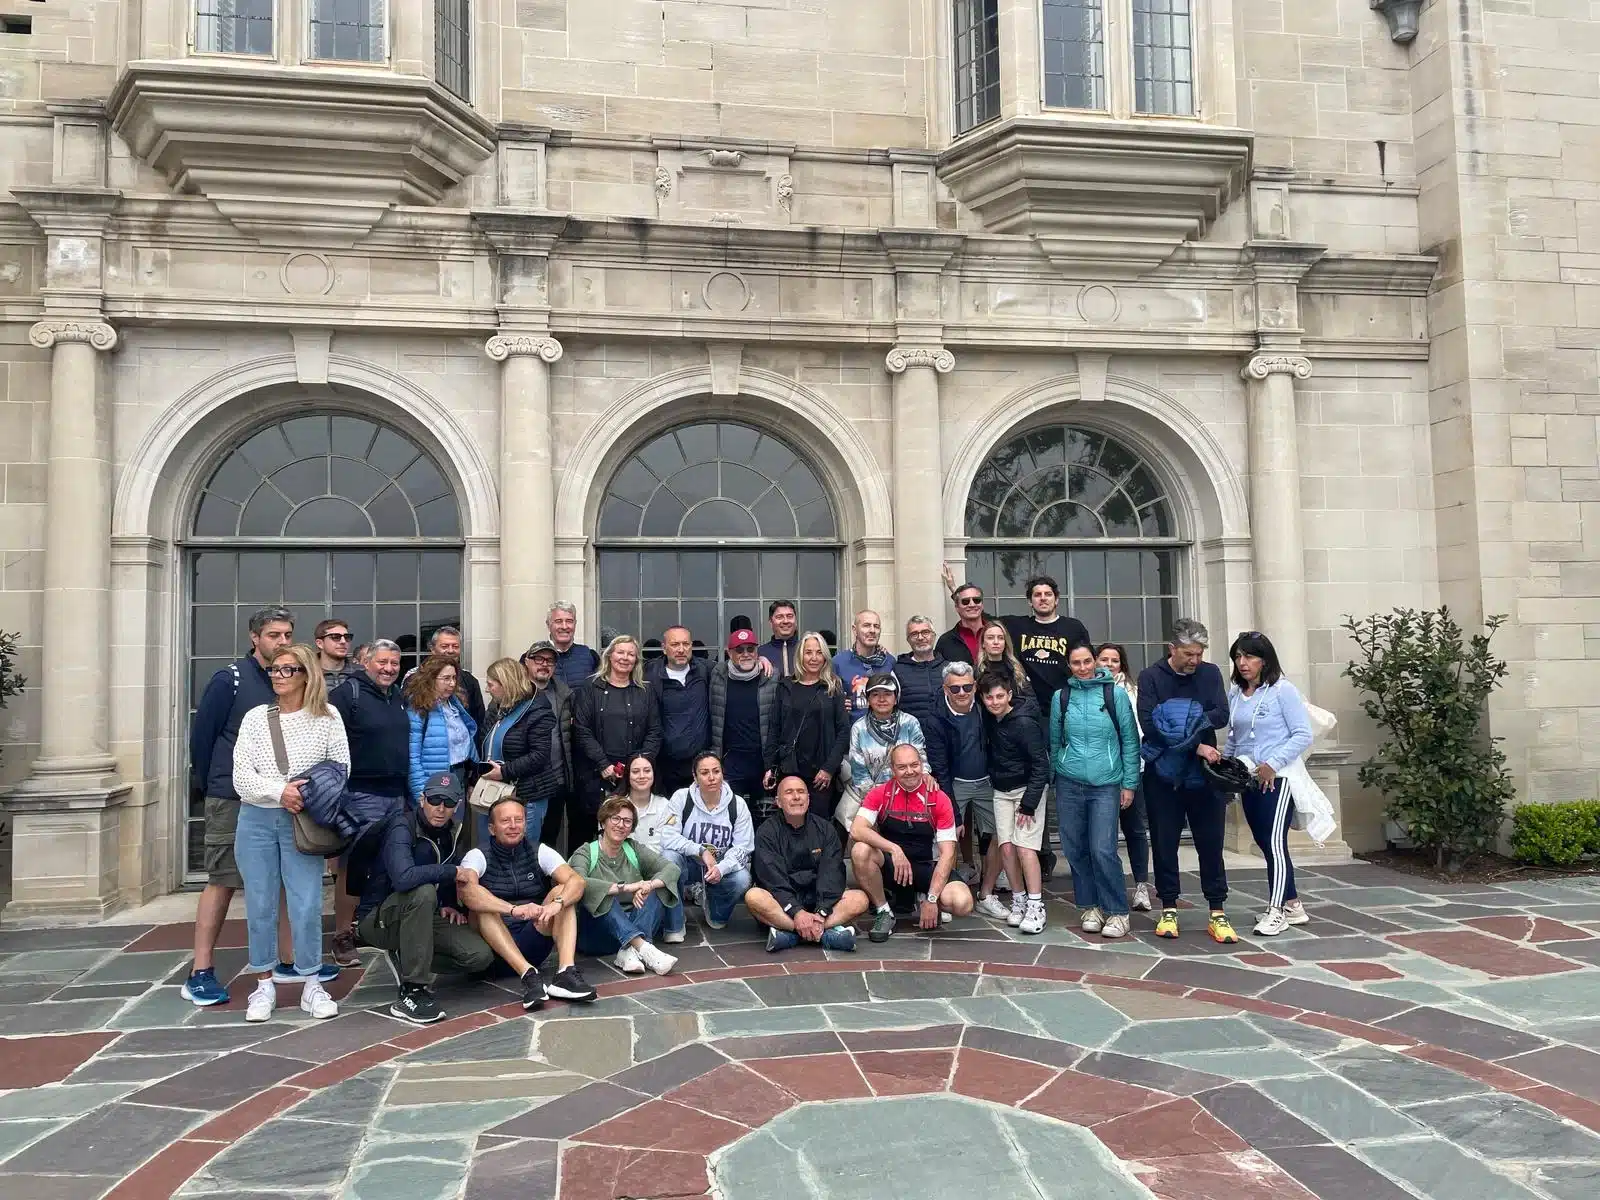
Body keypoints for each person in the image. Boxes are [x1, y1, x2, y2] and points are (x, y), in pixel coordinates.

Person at [183, 606, 299, 1006]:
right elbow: (203, 739)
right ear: (255, 637)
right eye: (274, 635)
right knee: (224, 880)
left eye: (287, 635)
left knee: (284, 878)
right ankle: (200, 971)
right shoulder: (229, 679)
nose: (282, 642)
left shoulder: (289, 679)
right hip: (232, 798)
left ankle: (288, 961)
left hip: (279, 796)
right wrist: (213, 785)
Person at [231, 643, 349, 1022]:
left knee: (307, 903)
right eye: (274, 670)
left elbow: (340, 767)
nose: (279, 677)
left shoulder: (327, 716)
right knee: (260, 904)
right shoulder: (254, 718)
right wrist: (278, 791)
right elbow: (241, 776)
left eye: (287, 670)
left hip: (304, 820)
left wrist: (303, 793)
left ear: (306, 674)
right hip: (257, 819)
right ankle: (263, 984)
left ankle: (311, 984)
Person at [349, 771, 494, 1025]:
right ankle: (412, 989)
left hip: (422, 914)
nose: (441, 808)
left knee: (479, 956)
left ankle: (408, 955)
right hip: (378, 918)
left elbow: (450, 863)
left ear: (458, 805)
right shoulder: (401, 826)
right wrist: (453, 873)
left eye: (448, 802)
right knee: (423, 891)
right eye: (435, 800)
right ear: (422, 799)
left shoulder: (453, 831)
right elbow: (403, 878)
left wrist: (449, 903)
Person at [1137, 619, 1235, 943]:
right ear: (1172, 649)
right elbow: (1151, 725)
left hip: (1205, 777)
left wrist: (1185, 721)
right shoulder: (1150, 677)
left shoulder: (1210, 674)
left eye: (1200, 653)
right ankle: (1168, 909)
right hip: (1162, 777)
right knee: (1165, 843)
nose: (1195, 660)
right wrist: (1196, 743)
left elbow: (1221, 713)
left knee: (1211, 842)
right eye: (1189, 654)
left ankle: (1217, 912)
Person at [456, 796, 598, 1009]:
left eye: (518, 819)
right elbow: (467, 893)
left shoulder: (539, 850)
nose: (513, 826)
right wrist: (513, 910)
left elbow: (577, 881)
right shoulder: (477, 856)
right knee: (482, 905)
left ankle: (565, 973)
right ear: (492, 828)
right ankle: (528, 975)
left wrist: (556, 904)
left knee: (563, 891)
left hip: (531, 940)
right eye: (506, 821)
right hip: (494, 951)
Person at [1224, 631, 1314, 937]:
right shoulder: (1236, 693)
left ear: (1265, 659)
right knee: (1265, 842)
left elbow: (1302, 734)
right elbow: (1234, 738)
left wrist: (1272, 764)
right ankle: (1293, 903)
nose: (1243, 662)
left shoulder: (1282, 691)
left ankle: (1276, 911)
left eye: (1249, 656)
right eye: (1238, 657)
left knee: (1275, 844)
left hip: (1279, 778)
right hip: (1248, 779)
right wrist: (1225, 768)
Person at [1049, 646, 1141, 940]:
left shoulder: (1115, 695)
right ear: (1069, 665)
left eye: (1087, 661)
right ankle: (1090, 907)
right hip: (1069, 782)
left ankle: (1117, 911)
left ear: (1095, 662)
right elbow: (1054, 740)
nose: (1083, 667)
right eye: (1076, 663)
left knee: (1103, 849)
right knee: (1075, 848)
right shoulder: (1061, 697)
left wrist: (1129, 784)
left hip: (1105, 783)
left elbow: (1129, 741)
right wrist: (1057, 774)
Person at [328, 637, 409, 966]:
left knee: (388, 865)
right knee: (353, 868)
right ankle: (342, 936)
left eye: (394, 663)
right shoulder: (346, 695)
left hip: (396, 794)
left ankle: (372, 928)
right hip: (360, 794)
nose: (389, 669)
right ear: (366, 663)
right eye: (383, 662)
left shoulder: (399, 696)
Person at [849, 743, 974, 942]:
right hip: (893, 866)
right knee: (860, 850)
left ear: (922, 765)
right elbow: (857, 829)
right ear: (892, 770)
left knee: (962, 902)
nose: (909, 771)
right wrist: (894, 849)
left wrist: (933, 899)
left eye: (914, 765)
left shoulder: (938, 798)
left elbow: (948, 853)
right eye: (902, 767)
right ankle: (884, 912)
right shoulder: (880, 793)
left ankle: (926, 900)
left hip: (927, 866)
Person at [748, 775, 869, 952]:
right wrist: (796, 911)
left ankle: (791, 935)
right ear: (778, 802)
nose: (796, 797)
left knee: (860, 899)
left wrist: (821, 911)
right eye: (789, 793)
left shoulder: (825, 829)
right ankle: (823, 935)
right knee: (753, 897)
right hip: (784, 904)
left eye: (801, 792)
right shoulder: (766, 832)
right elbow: (772, 879)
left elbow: (832, 872)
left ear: (808, 798)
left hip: (819, 902)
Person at [569, 796, 681, 974]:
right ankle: (644, 949)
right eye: (615, 818)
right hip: (598, 935)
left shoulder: (633, 849)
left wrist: (648, 886)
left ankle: (629, 950)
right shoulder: (585, 852)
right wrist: (626, 887)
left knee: (655, 888)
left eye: (627, 821)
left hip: (633, 924)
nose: (621, 825)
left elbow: (671, 868)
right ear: (603, 822)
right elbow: (577, 882)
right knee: (605, 895)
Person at [571, 635, 662, 851]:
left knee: (626, 831)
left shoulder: (645, 691)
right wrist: (602, 763)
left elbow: (655, 730)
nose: (625, 658)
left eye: (631, 654)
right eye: (620, 652)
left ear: (636, 660)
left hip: (633, 777)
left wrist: (638, 766)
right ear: (610, 655)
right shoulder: (590, 688)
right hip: (596, 774)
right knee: (590, 834)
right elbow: (581, 729)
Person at [925, 662, 1001, 915]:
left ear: (975, 686)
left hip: (986, 781)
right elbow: (940, 768)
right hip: (953, 782)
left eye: (967, 687)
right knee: (946, 836)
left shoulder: (986, 708)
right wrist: (954, 816)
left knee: (999, 834)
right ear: (945, 689)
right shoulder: (935, 718)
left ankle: (986, 893)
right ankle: (945, 892)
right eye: (955, 688)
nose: (962, 693)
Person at [979, 670, 1051, 935]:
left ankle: (1035, 904)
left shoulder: (1024, 723)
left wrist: (1029, 803)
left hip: (1026, 792)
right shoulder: (991, 720)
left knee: (1025, 847)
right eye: (989, 697)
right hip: (1001, 791)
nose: (995, 702)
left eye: (1000, 696)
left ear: (1009, 695)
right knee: (1006, 846)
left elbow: (1041, 764)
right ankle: (1018, 899)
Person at [660, 752, 754, 930]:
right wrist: (700, 850)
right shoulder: (681, 798)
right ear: (695, 777)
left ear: (722, 774)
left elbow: (744, 847)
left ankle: (716, 909)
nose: (711, 778)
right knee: (668, 857)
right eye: (704, 773)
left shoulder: (738, 804)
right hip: (689, 863)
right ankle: (676, 917)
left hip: (718, 865)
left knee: (742, 878)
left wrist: (721, 868)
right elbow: (667, 836)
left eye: (716, 771)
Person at [476, 657, 560, 850]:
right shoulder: (496, 708)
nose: (488, 690)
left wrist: (505, 772)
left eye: (491, 684)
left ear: (506, 684)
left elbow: (539, 755)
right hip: (492, 793)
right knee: (489, 851)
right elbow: (485, 747)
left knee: (522, 852)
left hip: (527, 794)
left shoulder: (537, 711)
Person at [766, 631, 851, 819]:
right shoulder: (785, 686)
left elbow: (843, 731)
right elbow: (775, 728)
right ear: (800, 656)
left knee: (819, 826)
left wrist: (829, 768)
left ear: (825, 656)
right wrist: (770, 766)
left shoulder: (833, 687)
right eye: (808, 652)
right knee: (790, 823)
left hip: (821, 774)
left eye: (819, 652)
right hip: (790, 769)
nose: (814, 658)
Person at [1097, 643, 1152, 912]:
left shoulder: (1133, 693)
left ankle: (1141, 885)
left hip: (1131, 770)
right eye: (1104, 659)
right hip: (1100, 774)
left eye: (1114, 660)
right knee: (1102, 835)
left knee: (1134, 830)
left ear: (1122, 664)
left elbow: (1138, 734)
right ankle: (1109, 886)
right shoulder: (1088, 691)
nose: (1109, 664)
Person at [838, 673, 926, 830]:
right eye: (875, 694)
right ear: (868, 698)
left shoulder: (910, 723)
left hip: (909, 793)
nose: (881, 699)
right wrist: (881, 801)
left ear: (896, 697)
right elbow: (859, 772)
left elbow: (921, 758)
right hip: (873, 799)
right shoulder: (859, 728)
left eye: (887, 694)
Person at [617, 754, 687, 943]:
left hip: (656, 869)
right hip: (625, 870)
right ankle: (639, 941)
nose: (641, 776)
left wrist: (650, 878)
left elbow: (667, 843)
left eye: (647, 771)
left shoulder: (665, 805)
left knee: (671, 859)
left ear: (654, 774)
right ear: (627, 776)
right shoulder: (615, 806)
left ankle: (674, 925)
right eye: (636, 771)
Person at [1000, 575, 1091, 716]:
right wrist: (954, 589)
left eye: (1048, 594)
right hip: (1028, 708)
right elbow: (977, 616)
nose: (1043, 598)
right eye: (1037, 595)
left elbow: (1088, 663)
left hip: (1066, 705)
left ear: (1056, 600)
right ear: (1030, 602)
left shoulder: (1073, 627)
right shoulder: (1016, 626)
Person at [712, 628, 778, 815]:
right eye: (739, 650)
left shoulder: (771, 676)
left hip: (762, 764)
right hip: (731, 763)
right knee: (730, 816)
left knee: (764, 818)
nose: (746, 654)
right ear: (729, 653)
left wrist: (773, 764)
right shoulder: (717, 675)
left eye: (751, 649)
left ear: (757, 652)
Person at [522, 640, 576, 851]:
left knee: (549, 842)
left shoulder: (565, 695)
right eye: (539, 659)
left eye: (550, 660)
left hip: (556, 781)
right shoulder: (513, 694)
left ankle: (547, 884)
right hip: (525, 783)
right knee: (523, 841)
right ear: (527, 661)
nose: (544, 664)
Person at [647, 625, 712, 796]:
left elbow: (737, 665)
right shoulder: (650, 676)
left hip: (700, 764)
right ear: (664, 648)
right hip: (666, 766)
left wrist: (761, 660)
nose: (681, 650)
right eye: (675, 644)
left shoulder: (706, 670)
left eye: (686, 644)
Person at [406, 655, 478, 803]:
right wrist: (420, 791)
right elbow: (412, 757)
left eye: (454, 678)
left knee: (457, 825)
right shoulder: (418, 708)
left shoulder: (455, 704)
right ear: (430, 679)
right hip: (433, 781)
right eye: (446, 678)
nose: (452, 683)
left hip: (460, 775)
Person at [893, 615, 947, 736]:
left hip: (945, 742)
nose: (920, 637)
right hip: (911, 741)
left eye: (925, 632)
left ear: (934, 636)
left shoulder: (948, 668)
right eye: (914, 634)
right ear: (908, 639)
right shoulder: (897, 670)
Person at [833, 610, 892, 719]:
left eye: (876, 626)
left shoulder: (889, 662)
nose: (872, 630)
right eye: (866, 625)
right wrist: (838, 705)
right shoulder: (838, 663)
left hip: (883, 731)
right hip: (852, 732)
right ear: (855, 630)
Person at [426, 627, 485, 728]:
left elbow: (478, 719)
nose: (450, 650)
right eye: (444, 646)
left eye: (455, 646)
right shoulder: (416, 677)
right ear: (433, 649)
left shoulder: (469, 680)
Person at [547, 601, 600, 688]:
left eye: (569, 621)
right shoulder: (534, 658)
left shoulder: (590, 657)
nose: (564, 627)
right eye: (558, 621)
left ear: (575, 624)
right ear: (548, 625)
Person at [935, 577, 986, 665]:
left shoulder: (999, 633)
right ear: (957, 607)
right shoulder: (946, 641)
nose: (972, 604)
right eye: (965, 601)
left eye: (976, 600)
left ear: (982, 605)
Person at [759, 599, 800, 679]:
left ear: (796, 621)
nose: (785, 621)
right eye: (779, 617)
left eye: (789, 616)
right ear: (771, 622)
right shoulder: (760, 653)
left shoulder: (806, 650)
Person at [314, 618, 360, 683]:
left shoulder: (361, 673)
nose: (343, 641)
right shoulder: (307, 674)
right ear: (320, 643)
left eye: (347, 637)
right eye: (335, 637)